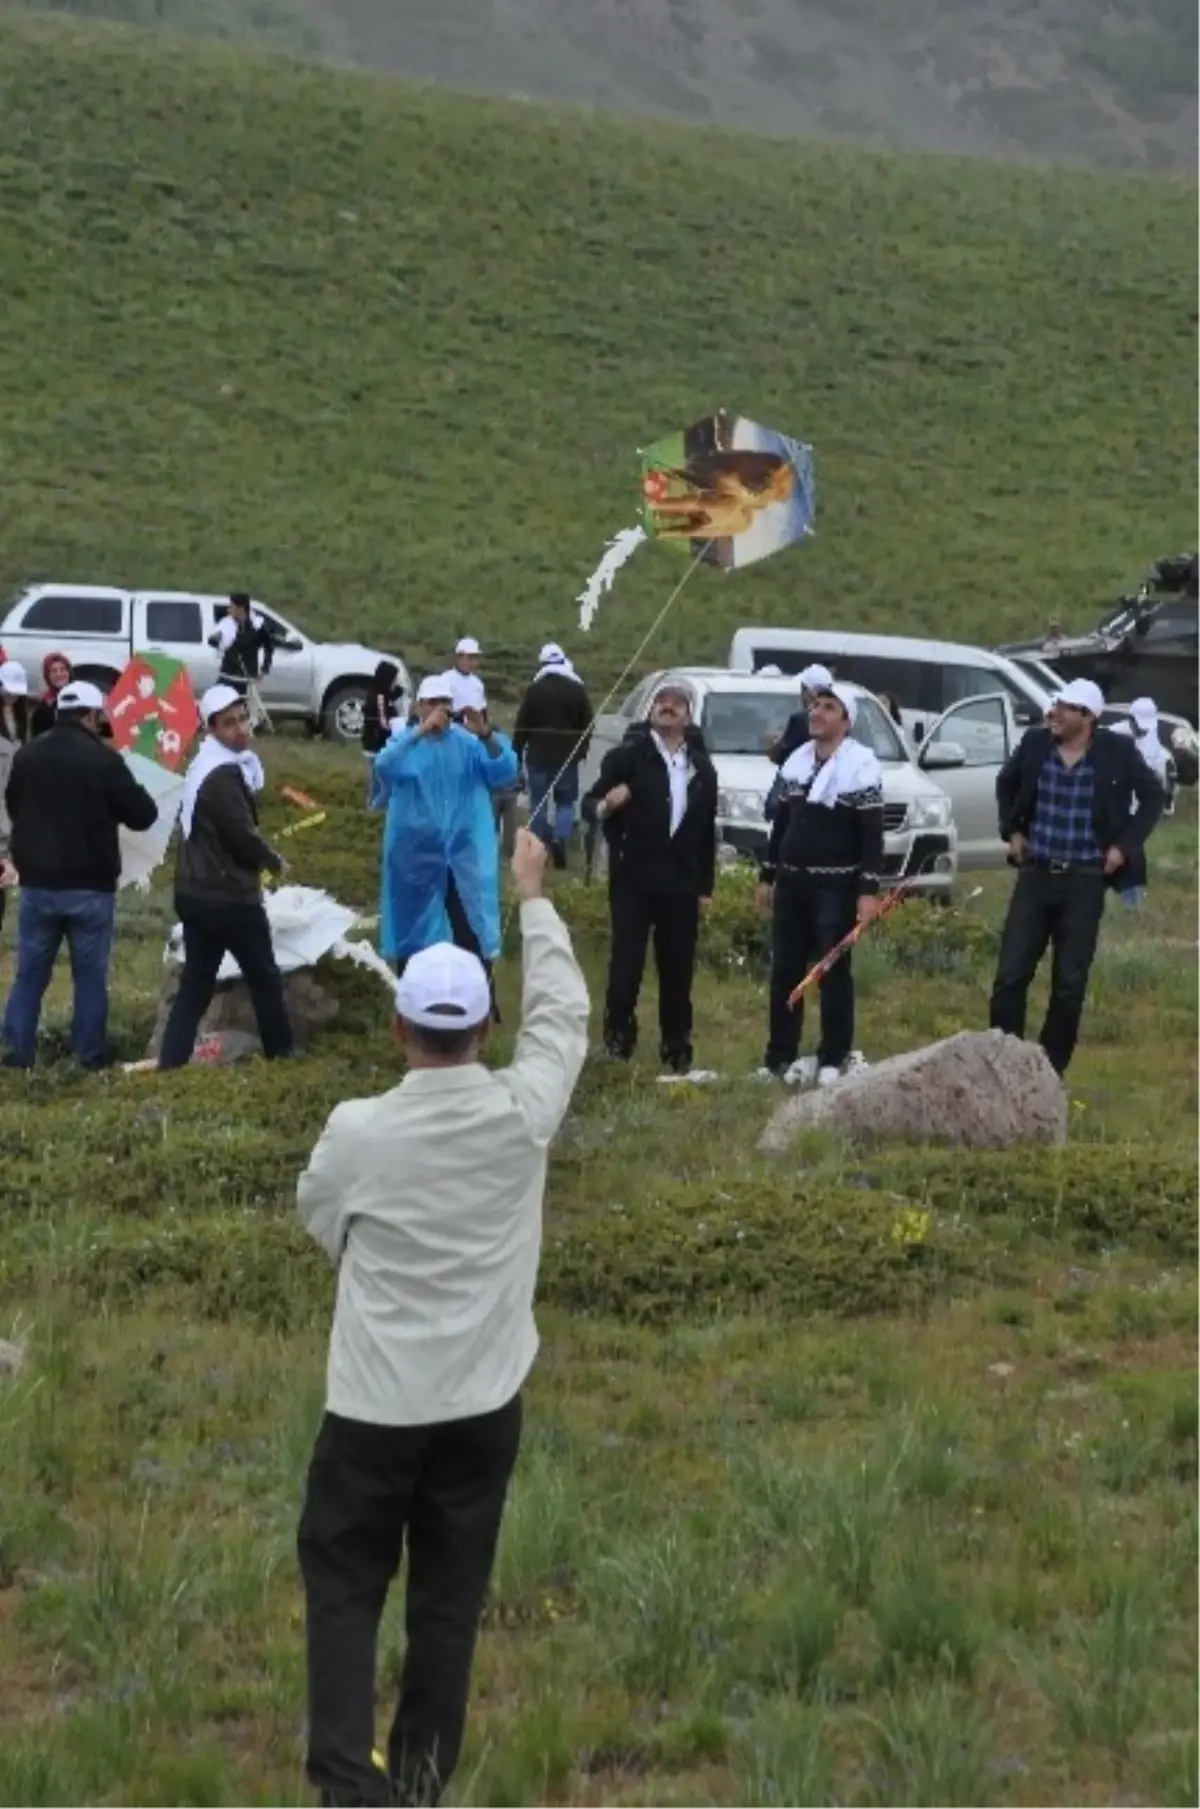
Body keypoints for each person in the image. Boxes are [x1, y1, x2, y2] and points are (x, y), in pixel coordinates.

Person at [295, 828, 589, 1809]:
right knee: (447, 1606)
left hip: (373, 1410)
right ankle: (416, 1785)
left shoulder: (357, 1131)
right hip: (481, 1406)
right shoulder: (521, 1114)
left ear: (398, 1028)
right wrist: (533, 897)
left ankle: (347, 1784)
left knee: (343, 1590)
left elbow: (320, 1219)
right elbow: (567, 1021)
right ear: (487, 1027)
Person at [989, 677, 1163, 1075]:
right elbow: (1006, 781)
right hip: (1035, 875)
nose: (1053, 714)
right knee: (1010, 976)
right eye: (1055, 706)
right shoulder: (1036, 744)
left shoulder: (1116, 751)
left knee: (1069, 983)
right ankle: (1005, 1064)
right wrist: (1011, 830)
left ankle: (1050, 1071)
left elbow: (1153, 796)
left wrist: (1123, 847)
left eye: (1064, 708)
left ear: (1086, 717)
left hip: (1084, 880)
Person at [2, 680, 158, 1071]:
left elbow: (13, 805)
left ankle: (15, 1056)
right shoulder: (104, 761)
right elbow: (144, 815)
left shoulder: (27, 756)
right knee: (89, 980)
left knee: (29, 977)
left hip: (37, 885)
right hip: (91, 887)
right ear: (91, 716)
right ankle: (88, 1059)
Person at [583, 680, 717, 1075]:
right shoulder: (628, 756)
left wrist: (705, 887)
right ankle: (617, 1044)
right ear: (651, 709)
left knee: (677, 970)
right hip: (633, 879)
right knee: (627, 963)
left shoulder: (702, 767)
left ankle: (676, 1052)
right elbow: (589, 805)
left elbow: (706, 832)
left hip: (681, 882)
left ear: (689, 715)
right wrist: (608, 803)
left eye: (678, 703)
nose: (669, 707)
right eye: (662, 701)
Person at [157, 685, 295, 1070]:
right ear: (211, 730)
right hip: (227, 896)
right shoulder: (221, 776)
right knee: (264, 977)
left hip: (196, 892)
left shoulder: (206, 767)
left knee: (197, 983)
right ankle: (283, 1056)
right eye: (229, 724)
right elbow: (239, 834)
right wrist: (272, 860)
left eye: (242, 719)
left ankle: (172, 1060)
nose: (240, 729)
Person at [756, 682, 884, 1086]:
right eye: (815, 705)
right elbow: (781, 825)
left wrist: (868, 891)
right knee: (785, 970)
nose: (817, 713)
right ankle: (780, 1056)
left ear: (846, 721)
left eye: (828, 708)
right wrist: (768, 874)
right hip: (793, 883)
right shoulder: (796, 761)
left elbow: (871, 835)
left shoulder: (861, 765)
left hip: (837, 886)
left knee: (832, 971)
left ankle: (833, 1055)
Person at [373, 675, 518, 991]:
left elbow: (505, 770)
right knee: (412, 930)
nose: (440, 710)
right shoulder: (407, 744)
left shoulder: (468, 744)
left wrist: (486, 733)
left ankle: (481, 999)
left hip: (463, 857)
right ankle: (410, 997)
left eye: (445, 703)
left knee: (471, 929)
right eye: (432, 703)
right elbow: (384, 765)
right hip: (414, 857)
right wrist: (420, 731)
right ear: (419, 707)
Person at [512, 642, 593, 869]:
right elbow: (587, 723)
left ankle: (538, 848)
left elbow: (522, 724)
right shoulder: (577, 689)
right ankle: (560, 837)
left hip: (538, 757)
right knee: (565, 803)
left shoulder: (534, 690)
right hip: (567, 758)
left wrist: (516, 752)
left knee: (538, 803)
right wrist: (581, 751)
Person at [209, 593, 276, 706]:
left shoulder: (256, 626)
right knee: (216, 702)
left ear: (241, 608)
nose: (230, 610)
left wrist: (265, 668)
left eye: (232, 607)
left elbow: (268, 647)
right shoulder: (227, 624)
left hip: (245, 678)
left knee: (241, 709)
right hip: (227, 675)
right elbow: (215, 639)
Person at [766, 663, 834, 770]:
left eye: (802, 688)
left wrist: (773, 744)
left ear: (808, 692)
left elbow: (781, 757)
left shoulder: (800, 721)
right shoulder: (839, 718)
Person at [361, 660, 405, 757]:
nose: (395, 683)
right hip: (376, 747)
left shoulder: (382, 694)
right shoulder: (378, 698)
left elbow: (392, 695)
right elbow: (383, 724)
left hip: (380, 745)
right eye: (394, 680)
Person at [30, 651, 72, 738]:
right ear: (47, 676)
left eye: (62, 669)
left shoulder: (79, 698)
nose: (59, 674)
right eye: (54, 671)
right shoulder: (43, 708)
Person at [445, 637, 486, 719]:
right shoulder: (446, 680)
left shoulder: (477, 683)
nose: (473, 662)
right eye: (470, 658)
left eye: (475, 658)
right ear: (458, 658)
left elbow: (483, 711)